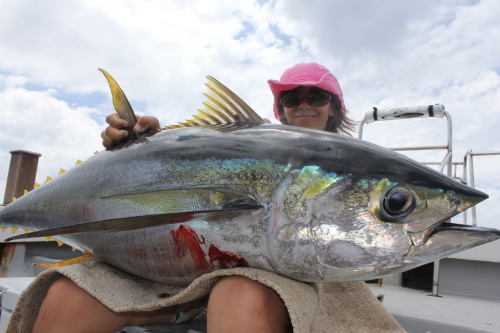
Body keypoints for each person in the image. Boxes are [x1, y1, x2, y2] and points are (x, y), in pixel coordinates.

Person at [32, 62, 356, 333]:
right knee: (67, 297)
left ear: (335, 106)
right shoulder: (244, 146)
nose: (303, 104)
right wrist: (144, 145)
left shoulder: (357, 165)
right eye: (290, 97)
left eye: (316, 95)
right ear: (279, 108)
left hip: (269, 286)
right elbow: (180, 173)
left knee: (240, 294)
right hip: (181, 280)